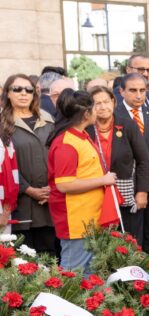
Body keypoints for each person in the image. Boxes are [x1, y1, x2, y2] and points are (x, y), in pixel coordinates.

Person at [47, 89, 117, 271]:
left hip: (89, 218)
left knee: (89, 274)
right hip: (76, 220)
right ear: (86, 113)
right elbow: (64, 184)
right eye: (94, 107)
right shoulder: (67, 143)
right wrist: (103, 180)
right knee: (73, 274)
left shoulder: (81, 136)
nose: (97, 111)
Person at [115, 73, 149, 258]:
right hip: (124, 183)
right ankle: (128, 266)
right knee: (128, 231)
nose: (138, 95)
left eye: (142, 90)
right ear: (121, 91)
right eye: (133, 90)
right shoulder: (114, 116)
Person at [1, 74, 56, 256]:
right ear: (8, 93)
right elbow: (3, 165)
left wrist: (53, 186)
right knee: (24, 258)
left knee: (50, 257)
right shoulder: (2, 123)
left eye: (28, 89)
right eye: (17, 89)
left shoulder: (48, 119)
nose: (23, 93)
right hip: (19, 205)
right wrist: (28, 189)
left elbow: (58, 155)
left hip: (49, 200)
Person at [85, 86, 149, 239]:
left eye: (106, 102)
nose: (103, 107)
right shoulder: (86, 128)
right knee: (102, 240)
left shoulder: (128, 125)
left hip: (125, 193)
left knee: (129, 239)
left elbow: (143, 160)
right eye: (97, 103)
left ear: (113, 102)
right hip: (96, 193)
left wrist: (142, 191)